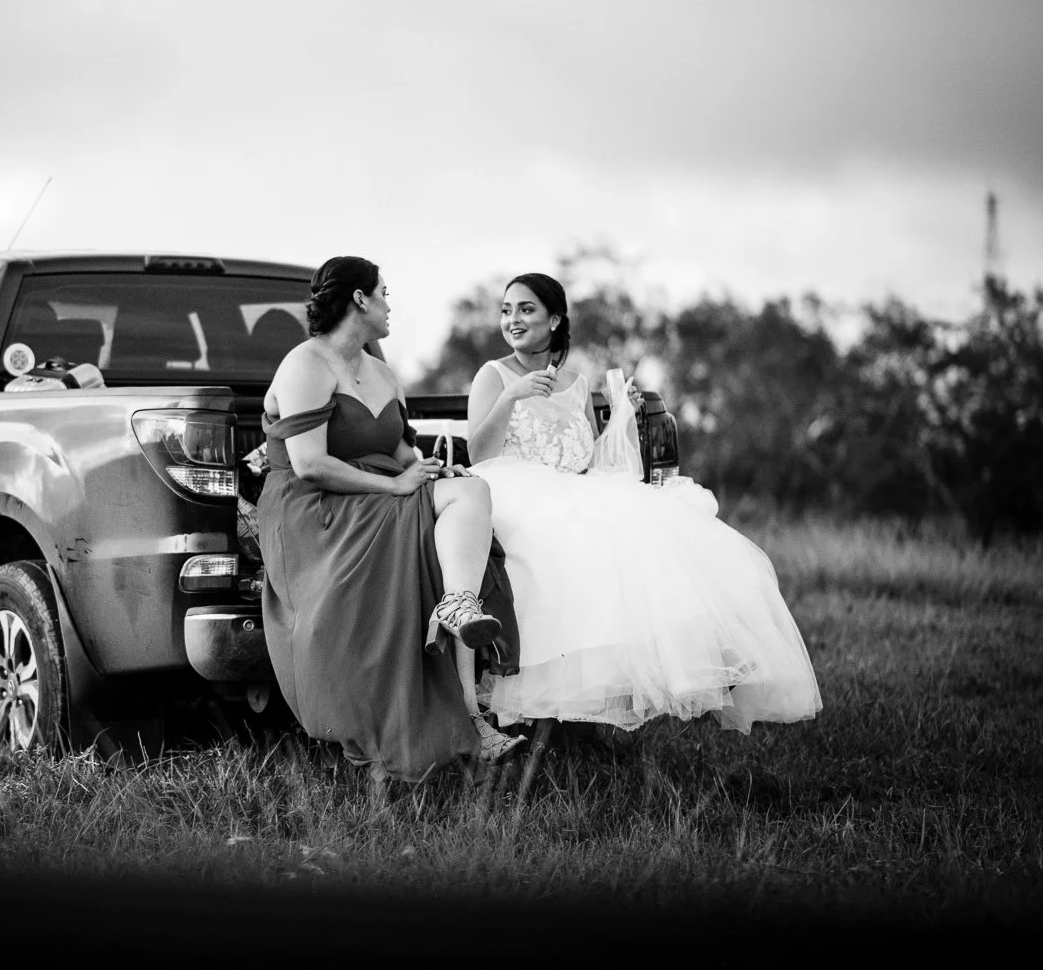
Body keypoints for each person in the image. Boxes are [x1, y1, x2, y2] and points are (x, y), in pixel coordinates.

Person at [465, 273, 822, 735]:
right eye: (506, 310)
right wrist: (512, 397)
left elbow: (591, 461)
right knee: (571, 542)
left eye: (526, 309)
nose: (513, 319)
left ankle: (682, 668)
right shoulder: (492, 376)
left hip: (574, 493)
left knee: (652, 532)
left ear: (554, 320)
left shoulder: (577, 383)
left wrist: (623, 419)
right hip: (514, 496)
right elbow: (479, 456)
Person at [258, 256, 525, 782]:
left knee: (469, 493)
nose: (388, 306)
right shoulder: (305, 364)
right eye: (384, 293)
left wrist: (430, 471)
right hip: (315, 509)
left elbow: (402, 453)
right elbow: (310, 465)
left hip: (381, 493)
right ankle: (469, 719)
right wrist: (398, 486)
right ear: (359, 299)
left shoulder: (382, 372)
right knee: (434, 530)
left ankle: (459, 612)